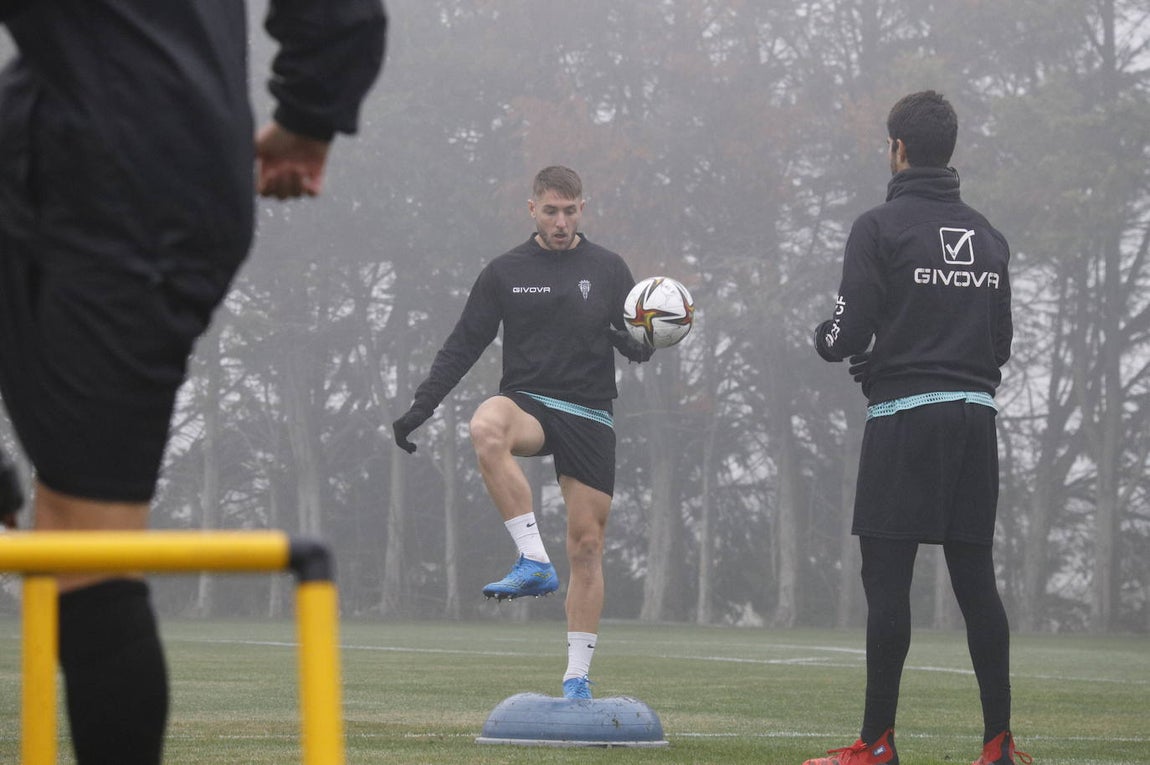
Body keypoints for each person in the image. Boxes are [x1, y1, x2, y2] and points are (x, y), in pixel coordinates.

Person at [0, 2, 386, 763]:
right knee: (70, 535)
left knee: (85, 538)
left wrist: (313, 104)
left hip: (138, 178)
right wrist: (310, 112)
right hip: (51, 124)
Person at [807, 91, 1029, 765]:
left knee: (888, 580)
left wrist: (830, 341)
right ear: (948, 149)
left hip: (905, 419)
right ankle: (998, 742)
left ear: (897, 149)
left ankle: (876, 743)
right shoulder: (988, 236)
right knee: (975, 581)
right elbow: (998, 344)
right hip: (973, 419)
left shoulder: (879, 227)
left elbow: (850, 332)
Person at [392, 165, 652, 700]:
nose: (561, 222)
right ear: (531, 209)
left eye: (571, 211)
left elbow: (638, 341)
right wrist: (422, 405)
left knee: (586, 546)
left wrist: (639, 342)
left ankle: (577, 678)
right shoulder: (504, 271)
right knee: (487, 424)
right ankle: (532, 560)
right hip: (530, 403)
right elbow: (464, 344)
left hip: (590, 411)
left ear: (584, 208)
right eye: (551, 211)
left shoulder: (608, 268)